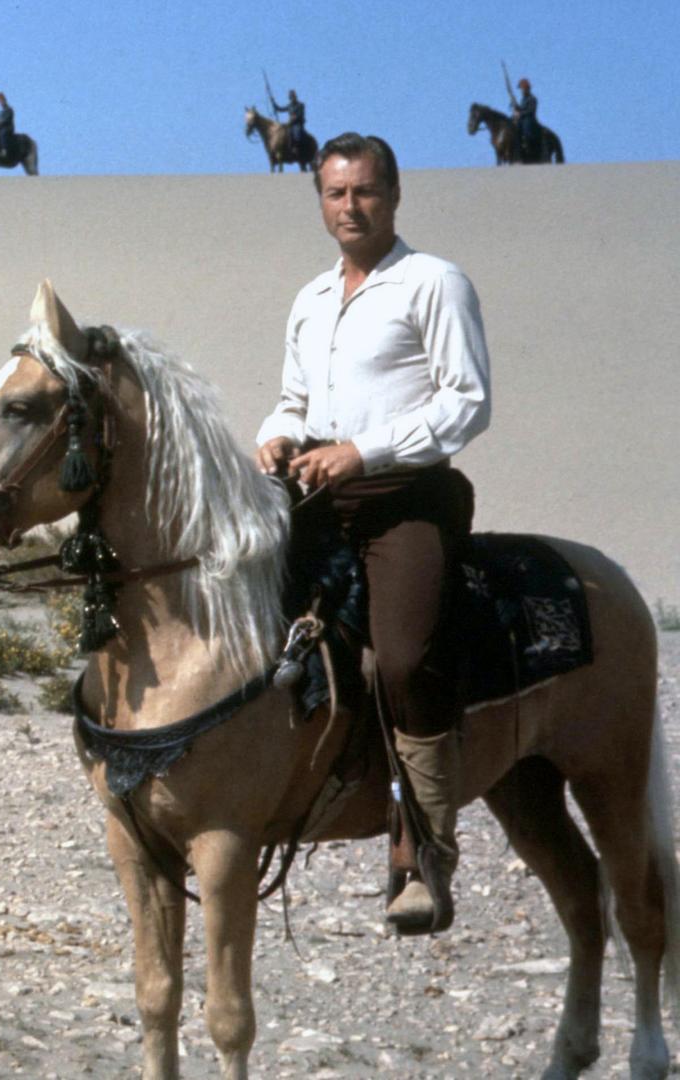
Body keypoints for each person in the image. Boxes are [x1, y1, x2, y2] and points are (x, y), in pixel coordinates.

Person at [254, 132, 491, 936]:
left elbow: (467, 403)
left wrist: (363, 451)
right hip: (319, 497)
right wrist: (279, 435)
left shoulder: (434, 283)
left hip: (406, 498)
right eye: (334, 193)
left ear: (393, 196)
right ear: (319, 201)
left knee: (404, 656)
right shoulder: (312, 299)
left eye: (364, 192)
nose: (349, 207)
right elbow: (294, 400)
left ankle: (424, 852)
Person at [272, 88, 307, 161]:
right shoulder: (289, 106)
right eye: (291, 97)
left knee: (295, 132)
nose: (292, 98)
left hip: (297, 124)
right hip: (290, 124)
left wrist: (294, 119)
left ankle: (296, 148)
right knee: (282, 132)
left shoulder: (300, 105)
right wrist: (273, 102)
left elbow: (300, 114)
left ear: (295, 97)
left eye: (293, 96)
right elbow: (280, 109)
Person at [512, 77, 539, 161]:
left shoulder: (533, 99)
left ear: (527, 89)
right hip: (521, 118)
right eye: (521, 89)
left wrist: (520, 113)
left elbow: (530, 111)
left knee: (526, 127)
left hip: (529, 119)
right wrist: (516, 108)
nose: (521, 91)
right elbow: (521, 108)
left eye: (523, 89)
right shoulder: (523, 99)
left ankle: (528, 146)